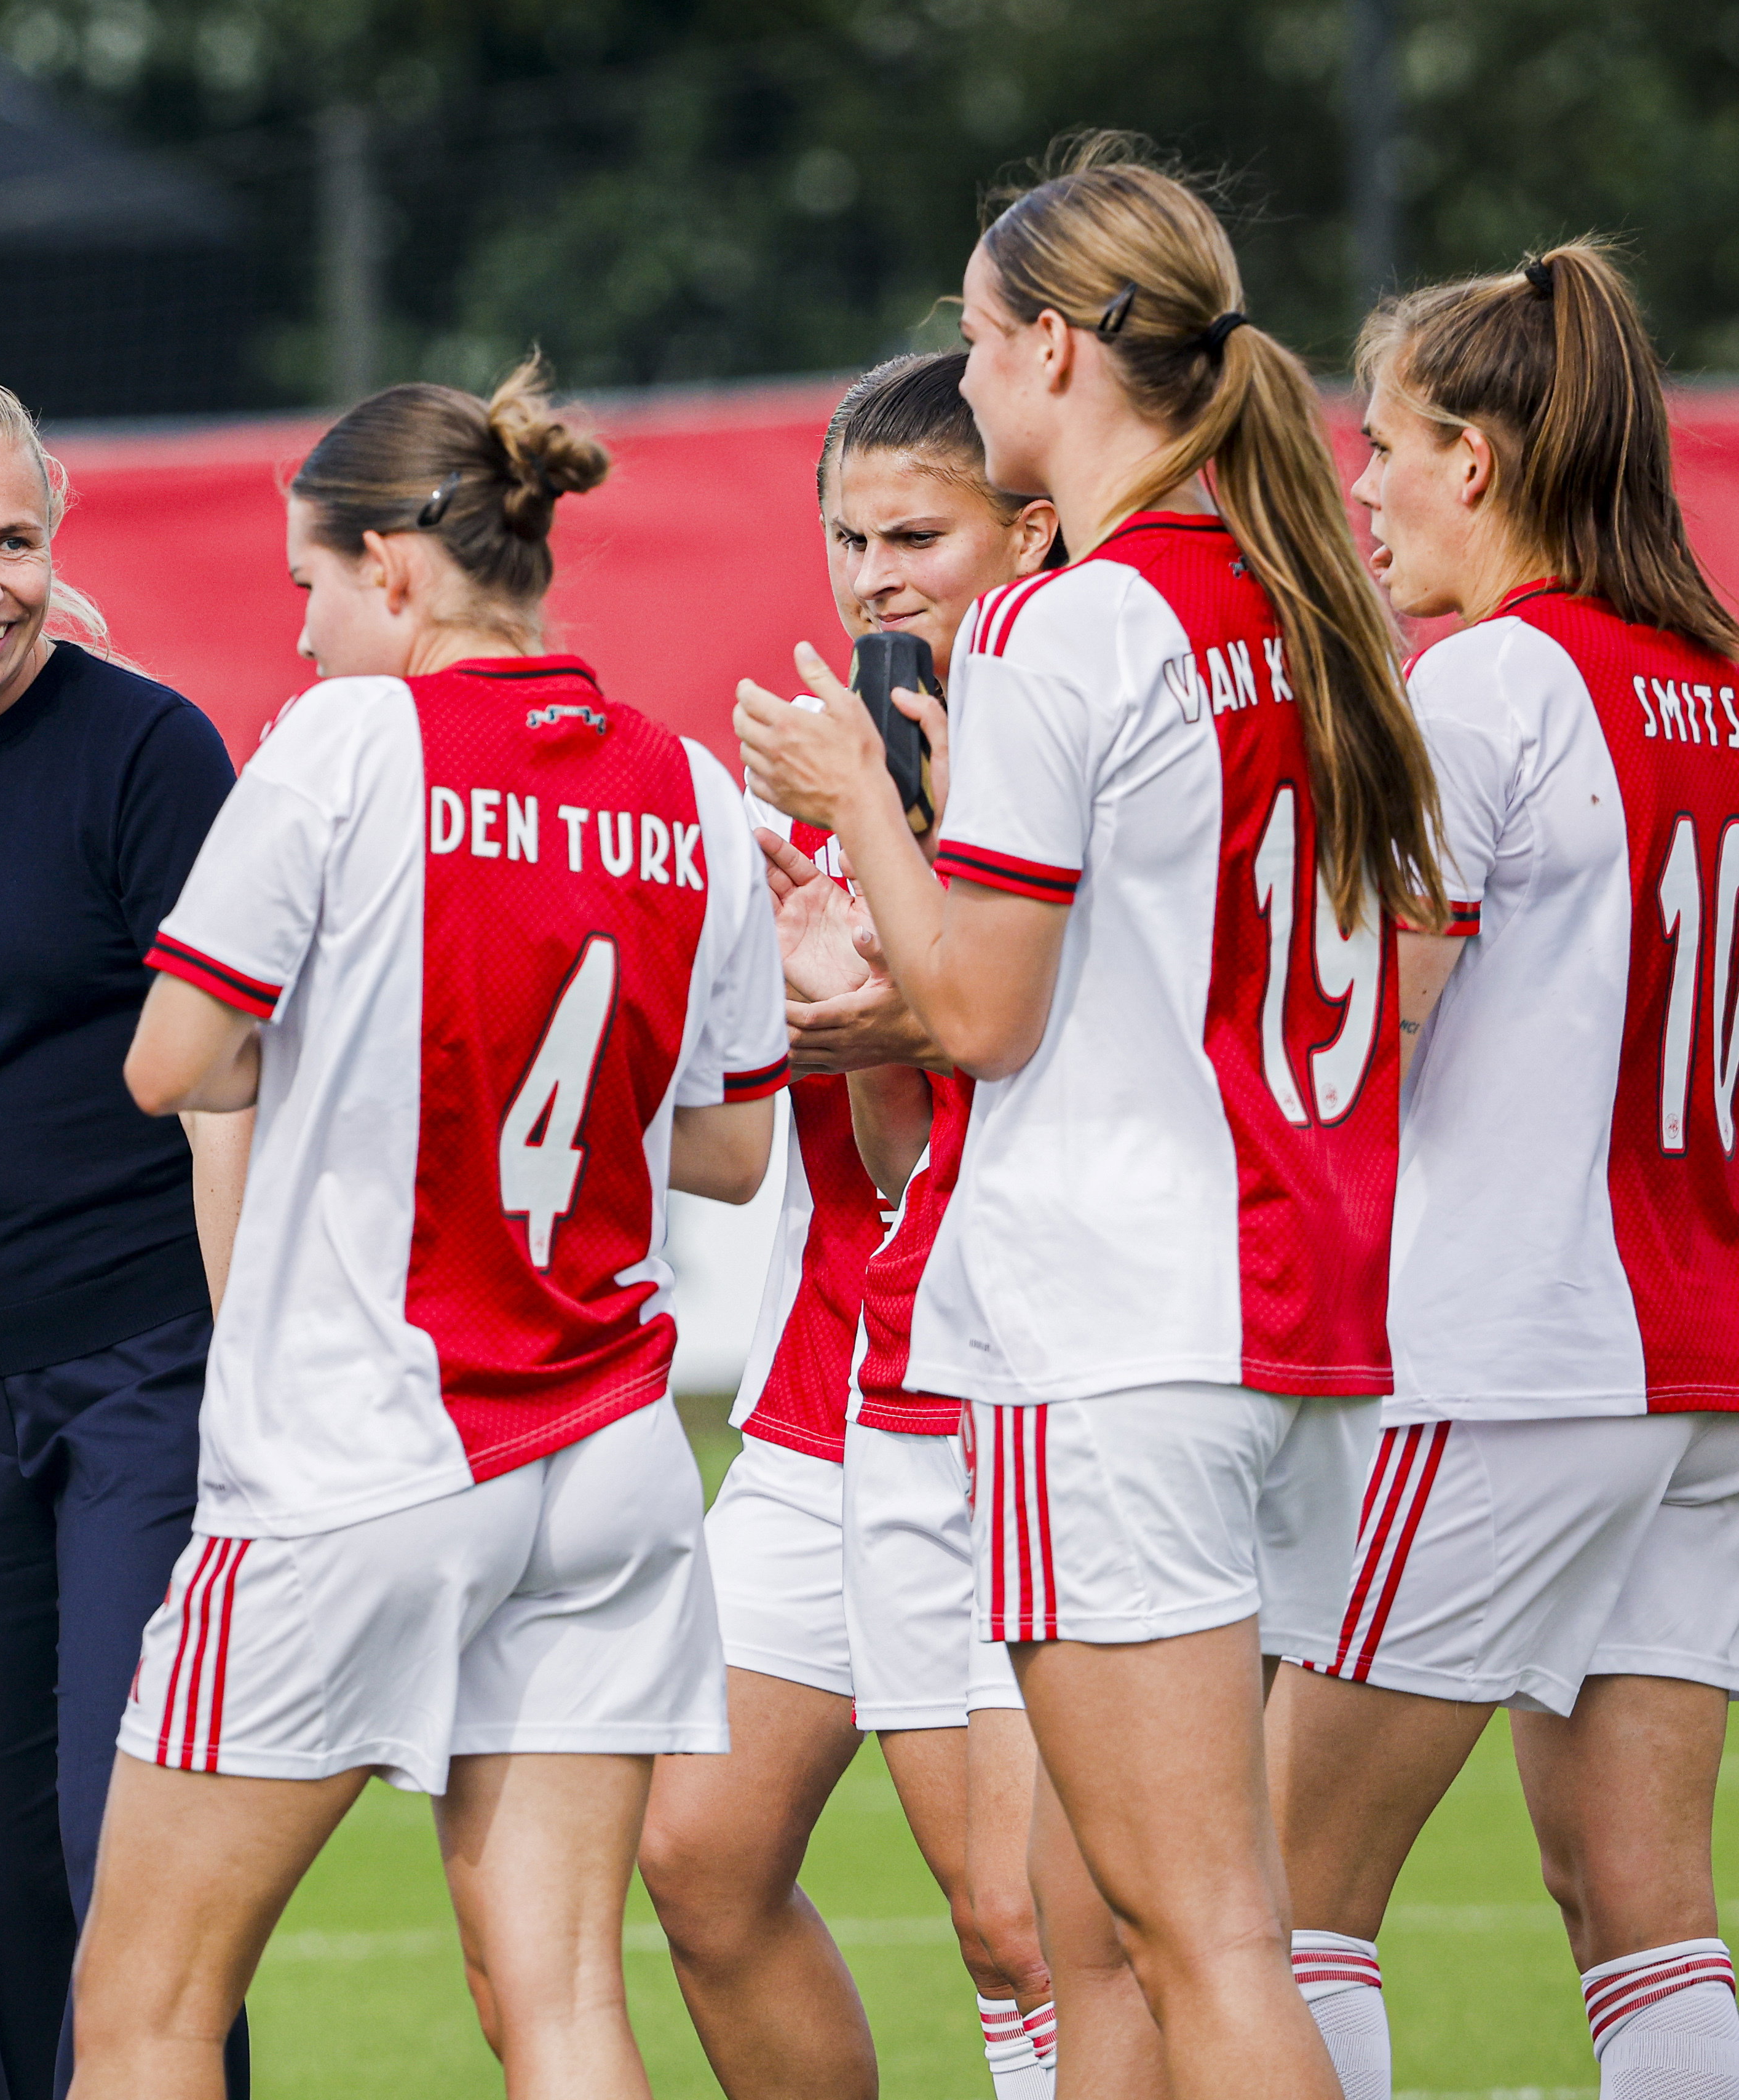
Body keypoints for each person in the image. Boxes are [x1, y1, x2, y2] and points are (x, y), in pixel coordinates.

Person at [736, 136, 1442, 2100]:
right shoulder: (1300, 601)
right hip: (1291, 1317)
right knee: (1103, 1933)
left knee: (1200, 1939)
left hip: (1115, 1332)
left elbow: (970, 1012)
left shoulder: (1077, 621)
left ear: (1051, 349)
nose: (958, 380)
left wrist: (853, 791)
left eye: (972, 340)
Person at [70, 360, 786, 2100]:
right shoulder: (688, 790)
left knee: (144, 2008)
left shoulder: (344, 743)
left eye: (308, 585)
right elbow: (734, 1148)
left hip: (360, 1455)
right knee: (558, 1999)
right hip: (609, 1449)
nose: (301, 631)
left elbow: (171, 1065)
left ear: (393, 567)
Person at [1269, 242, 1739, 2100]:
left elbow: (1361, 1038)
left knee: (1275, 1894)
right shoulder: (1716, 685)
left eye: (1381, 444)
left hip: (1510, 1349)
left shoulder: (1482, 692)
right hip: (1695, 1362)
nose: (1361, 489)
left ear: (1471, 457)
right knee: (1644, 1904)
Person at [642, 350, 1061, 2100]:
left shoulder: (1064, 747)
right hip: (836, 1386)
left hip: (1018, 1389)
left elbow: (983, 1082)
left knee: (1013, 1915)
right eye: (850, 536)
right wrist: (771, 969)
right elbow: (827, 1152)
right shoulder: (821, 778)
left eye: (919, 534)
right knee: (698, 1856)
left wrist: (880, 1000)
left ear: (1022, 533)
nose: (878, 577)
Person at [0, 367, 252, 2100]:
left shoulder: (146, 748)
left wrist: (242, 1395)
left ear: (56, 533)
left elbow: (228, 1084)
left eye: (12, 539)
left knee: (128, 1865)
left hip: (142, 1377)